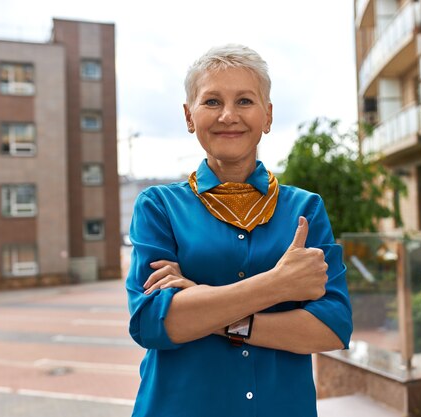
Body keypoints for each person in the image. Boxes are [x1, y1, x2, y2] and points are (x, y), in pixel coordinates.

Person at [126, 44, 352, 417]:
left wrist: (202, 304)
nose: (228, 115)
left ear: (267, 116)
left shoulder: (305, 209)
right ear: (188, 115)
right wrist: (279, 285)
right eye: (212, 101)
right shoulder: (158, 206)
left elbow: (332, 329)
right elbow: (153, 323)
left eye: (245, 101)